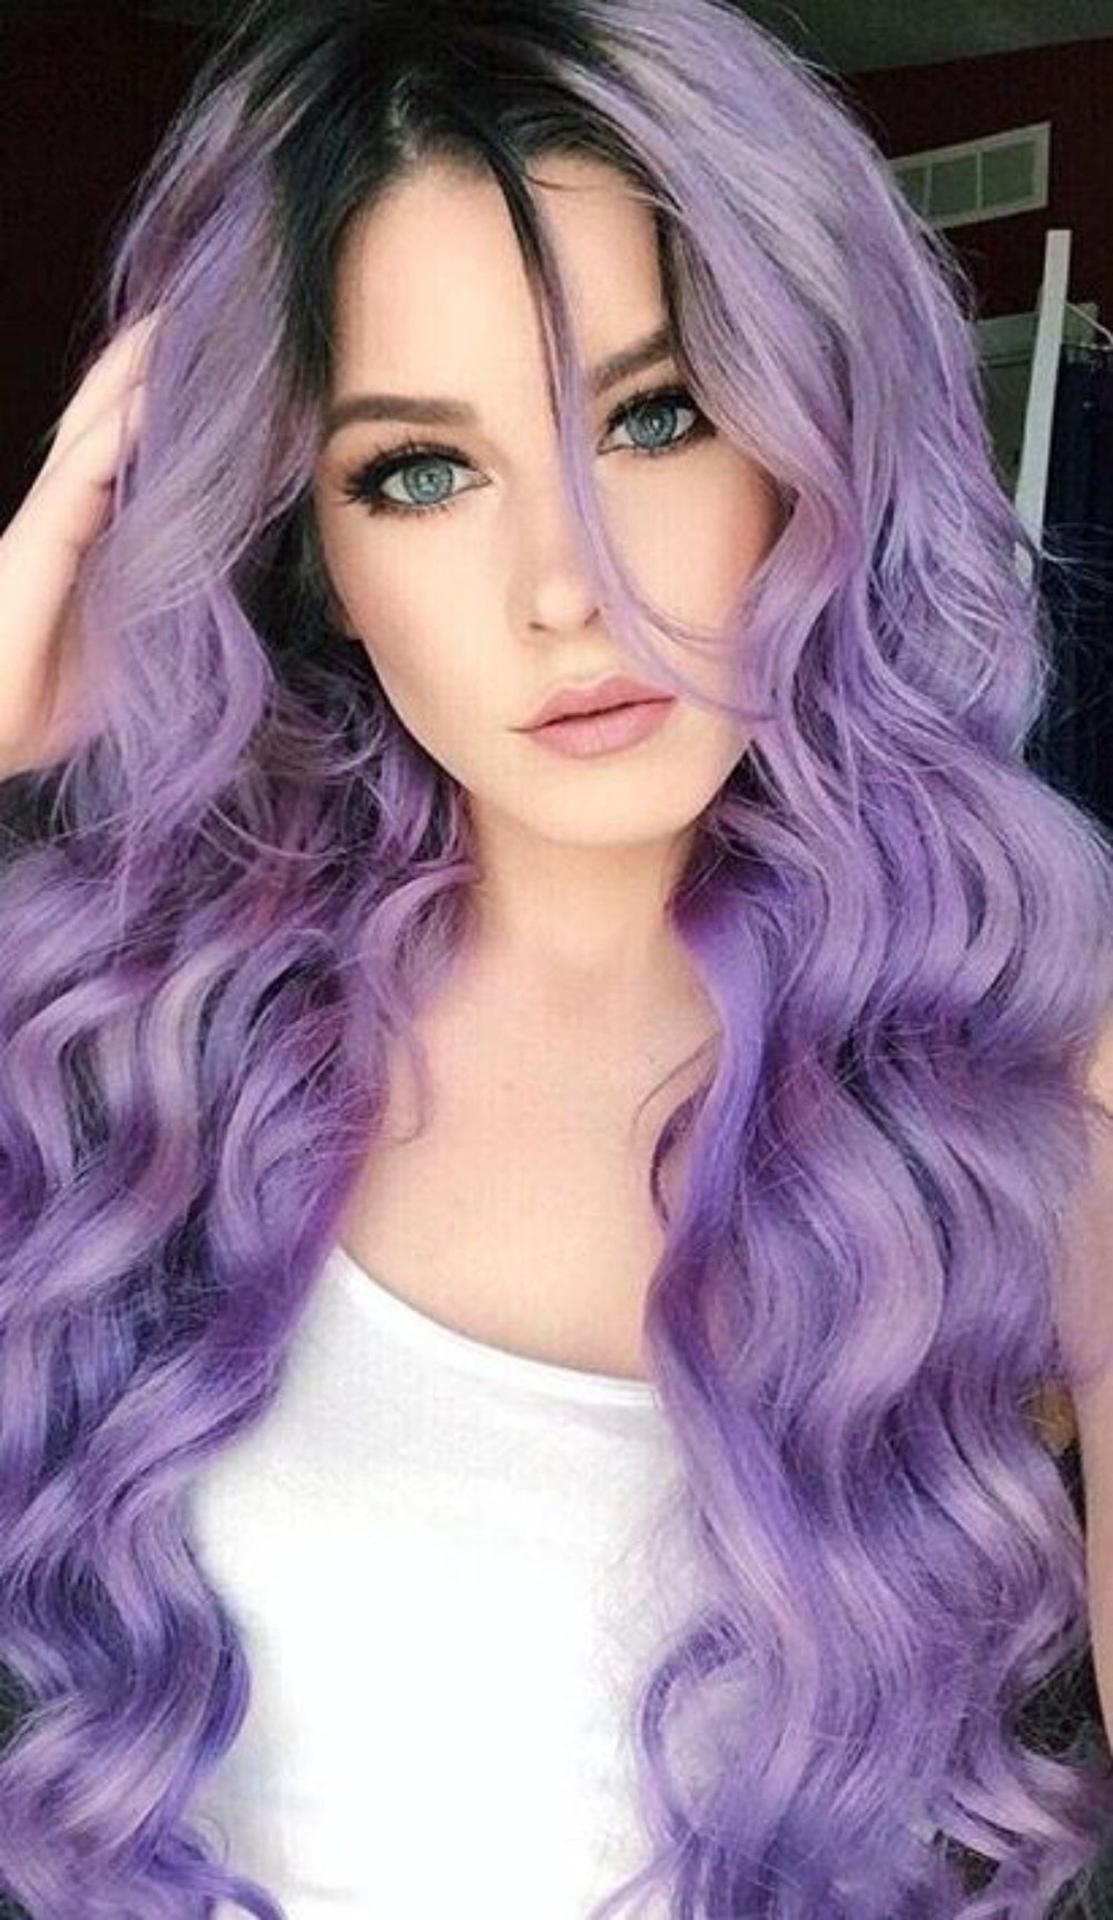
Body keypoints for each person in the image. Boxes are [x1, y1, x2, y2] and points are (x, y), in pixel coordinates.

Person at [1, 0, 1112, 1914]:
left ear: (817, 447)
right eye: (416, 472)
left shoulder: (1028, 1050)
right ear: (307, 550)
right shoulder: (134, 1028)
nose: (563, 589)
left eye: (653, 416)